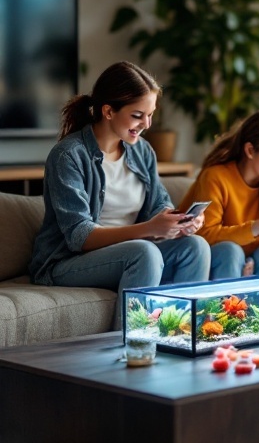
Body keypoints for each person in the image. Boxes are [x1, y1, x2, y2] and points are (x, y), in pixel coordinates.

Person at [29, 61, 211, 328]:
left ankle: (179, 337)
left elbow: (158, 204)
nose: (146, 124)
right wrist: (149, 229)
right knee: (145, 253)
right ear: (108, 111)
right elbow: (79, 236)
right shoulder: (69, 155)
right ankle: (131, 350)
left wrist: (178, 221)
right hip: (67, 261)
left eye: (150, 115)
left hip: (129, 252)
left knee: (196, 247)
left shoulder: (142, 150)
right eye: (138, 115)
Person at [178, 108, 259, 279]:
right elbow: (204, 235)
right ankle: (230, 306)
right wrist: (254, 228)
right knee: (230, 250)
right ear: (250, 151)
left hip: (258, 253)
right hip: (220, 254)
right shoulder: (216, 177)